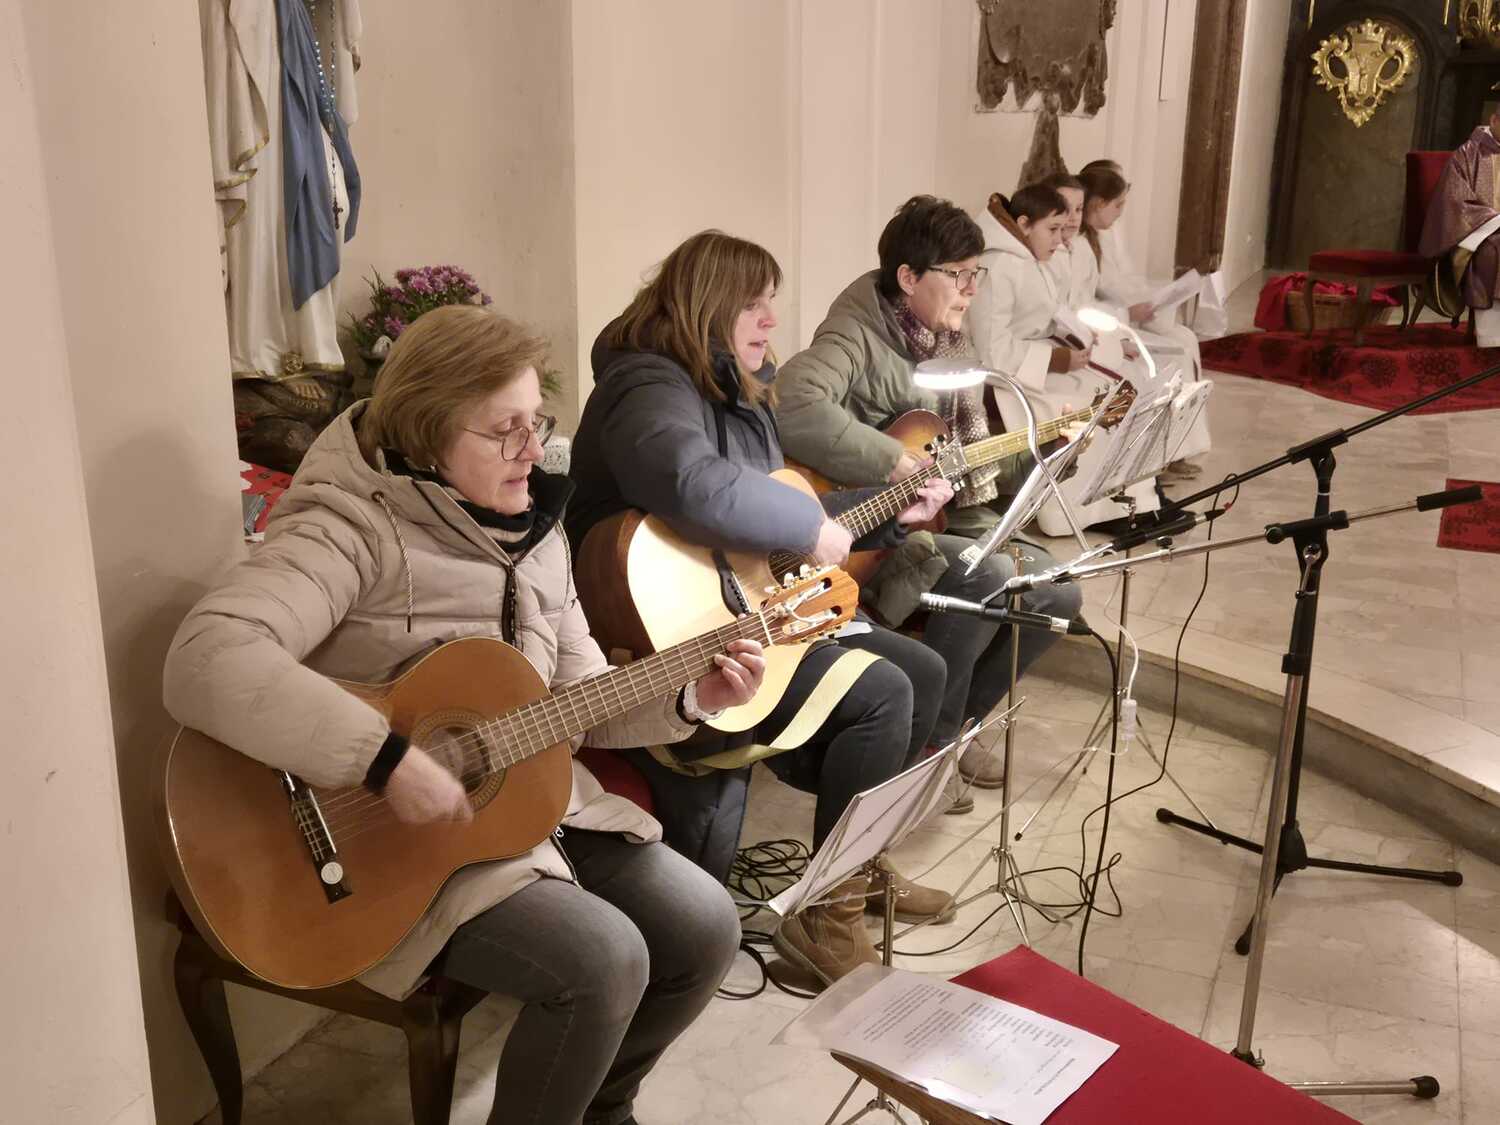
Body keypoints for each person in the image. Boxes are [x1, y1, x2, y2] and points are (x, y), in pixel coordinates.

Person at [162, 305, 757, 1125]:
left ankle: (601, 1110)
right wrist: (382, 757)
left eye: (537, 421)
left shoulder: (541, 536)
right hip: (382, 848)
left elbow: (582, 699)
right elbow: (207, 655)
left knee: (706, 925)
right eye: (504, 430)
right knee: (605, 959)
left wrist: (691, 697)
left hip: (531, 811)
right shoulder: (350, 526)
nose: (533, 449)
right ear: (427, 431)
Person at [567, 230, 958, 989]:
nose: (772, 320)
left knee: (924, 669)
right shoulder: (646, 382)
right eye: (754, 303)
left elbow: (777, 521)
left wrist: (892, 513)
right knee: (885, 690)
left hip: (745, 609)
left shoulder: (738, 390)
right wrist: (807, 526)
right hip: (669, 636)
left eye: (771, 302)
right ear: (706, 304)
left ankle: (855, 866)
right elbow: (690, 484)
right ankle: (824, 917)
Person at [774, 195, 1084, 791]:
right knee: (986, 571)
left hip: (947, 513)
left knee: (1060, 594)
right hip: (876, 532)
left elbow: (973, 463)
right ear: (909, 278)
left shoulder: (951, 345)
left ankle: (954, 729)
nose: (971, 290)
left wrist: (1051, 451)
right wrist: (893, 460)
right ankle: (927, 755)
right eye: (958, 275)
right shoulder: (854, 333)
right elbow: (791, 402)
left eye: (976, 274)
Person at [969, 181, 1156, 532]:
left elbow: (1049, 313)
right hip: (1007, 379)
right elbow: (991, 349)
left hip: (1035, 364)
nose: (1060, 238)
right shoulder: (1000, 265)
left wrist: (1077, 336)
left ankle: (1122, 503)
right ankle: (1077, 513)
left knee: (1114, 391)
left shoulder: (1029, 258)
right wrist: (1056, 360)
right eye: (1052, 229)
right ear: (1024, 224)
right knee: (1085, 405)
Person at [1079, 162, 1211, 477]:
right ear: (1098, 203)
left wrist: (1148, 301)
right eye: (1118, 204)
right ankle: (1163, 453)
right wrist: (1128, 313)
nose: (1121, 212)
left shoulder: (1094, 237)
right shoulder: (1079, 244)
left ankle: (1178, 447)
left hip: (1115, 317)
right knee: (1172, 356)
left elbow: (1119, 279)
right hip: (1101, 326)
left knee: (1185, 339)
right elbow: (1083, 301)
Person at [1418, 107, 1500, 345]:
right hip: (1476, 232)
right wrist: (1494, 220)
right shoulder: (1468, 153)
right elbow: (1454, 200)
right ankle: (1493, 338)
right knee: (1494, 250)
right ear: (1494, 120)